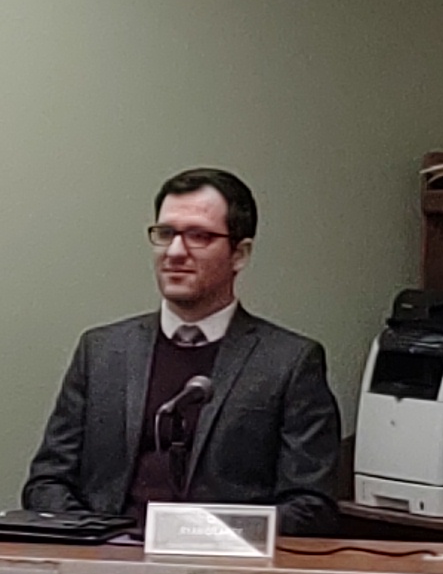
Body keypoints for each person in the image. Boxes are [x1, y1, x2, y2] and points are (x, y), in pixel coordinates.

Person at [19, 170, 345, 532]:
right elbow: (47, 483)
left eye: (199, 236)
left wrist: (201, 537)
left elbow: (311, 506)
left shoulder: (289, 362)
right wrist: (98, 538)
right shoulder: (102, 352)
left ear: (239, 253)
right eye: (165, 234)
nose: (175, 252)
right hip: (106, 567)